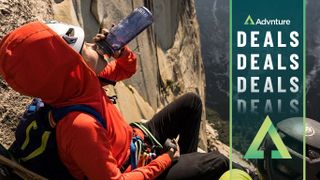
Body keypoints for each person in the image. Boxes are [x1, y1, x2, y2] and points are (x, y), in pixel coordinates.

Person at [0, 21, 246, 180]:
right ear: (74, 66)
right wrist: (165, 160)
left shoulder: (79, 83)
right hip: (134, 169)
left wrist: (120, 52)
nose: (93, 45)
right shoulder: (80, 125)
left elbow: (126, 70)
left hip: (136, 143)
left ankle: (186, 164)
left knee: (191, 103)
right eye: (84, 47)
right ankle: (182, 163)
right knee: (218, 161)